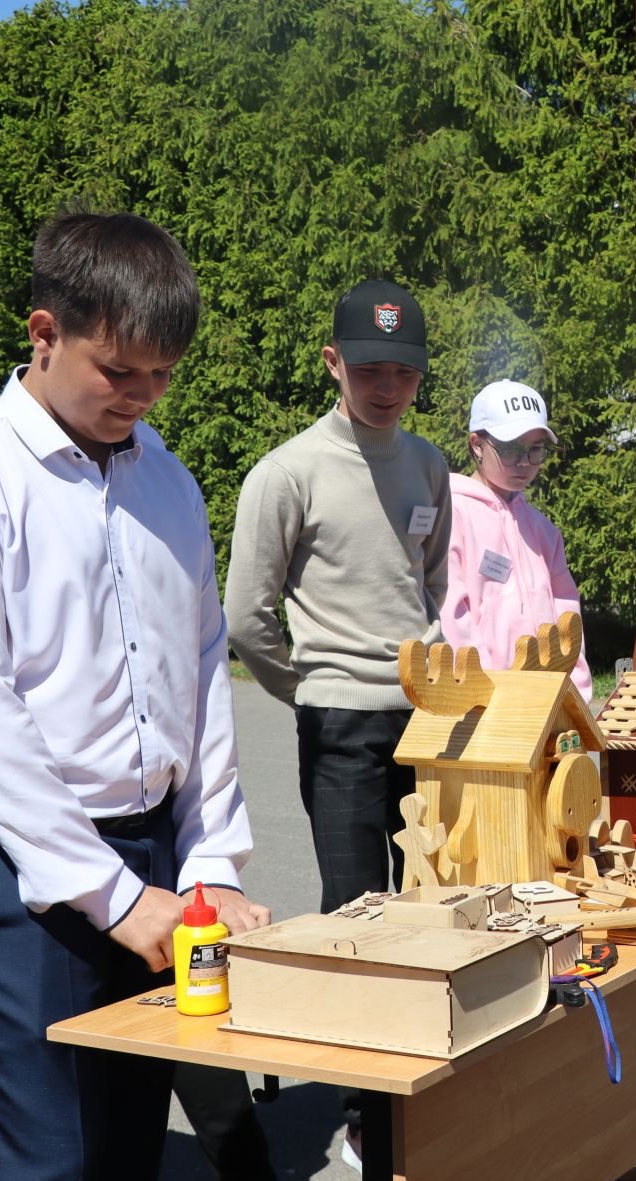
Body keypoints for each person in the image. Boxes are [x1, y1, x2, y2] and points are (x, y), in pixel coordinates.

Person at [0, 212, 273, 1181]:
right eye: (118, 369)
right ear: (45, 331)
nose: (139, 396)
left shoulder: (170, 485)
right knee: (40, 1166)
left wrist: (212, 858)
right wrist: (113, 895)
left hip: (150, 854)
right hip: (2, 864)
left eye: (161, 375)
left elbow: (199, 683)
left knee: (123, 1163)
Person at [225, 279, 450, 912]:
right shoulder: (285, 474)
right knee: (356, 908)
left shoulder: (430, 466)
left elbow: (429, 580)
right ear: (332, 363)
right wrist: (309, 689)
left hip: (424, 716)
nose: (386, 388)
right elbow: (245, 614)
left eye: (404, 373)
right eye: (369, 370)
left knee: (435, 895)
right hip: (339, 722)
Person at [440, 378, 592, 698]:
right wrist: (480, 693)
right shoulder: (450, 514)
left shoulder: (544, 532)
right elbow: (450, 613)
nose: (524, 462)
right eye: (510, 449)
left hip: (545, 702)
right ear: (476, 445)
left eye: (535, 449)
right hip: (480, 704)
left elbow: (567, 617)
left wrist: (574, 693)